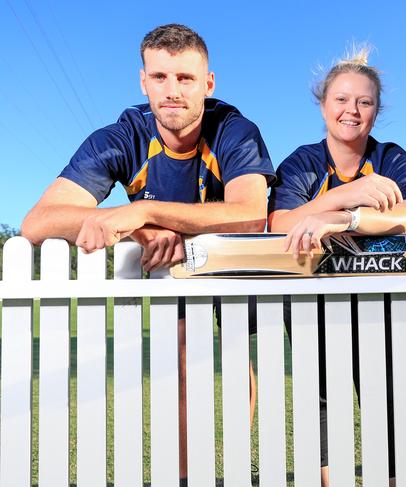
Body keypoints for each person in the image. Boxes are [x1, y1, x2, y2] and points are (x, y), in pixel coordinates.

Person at [21, 24, 275, 483]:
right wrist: (141, 228)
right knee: (178, 359)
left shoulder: (234, 130)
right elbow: (38, 221)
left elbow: (250, 215)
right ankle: (182, 476)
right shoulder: (121, 137)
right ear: (143, 81)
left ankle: (235, 465)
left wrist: (143, 210)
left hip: (234, 263)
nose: (172, 91)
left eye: (185, 79)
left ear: (208, 84)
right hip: (170, 267)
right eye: (160, 78)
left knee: (238, 360)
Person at [268, 46, 406, 486]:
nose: (352, 111)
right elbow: (280, 224)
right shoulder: (302, 162)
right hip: (309, 301)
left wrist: (343, 219)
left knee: (385, 399)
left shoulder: (393, 158)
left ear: (377, 110)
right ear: (323, 105)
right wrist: (346, 194)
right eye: (341, 99)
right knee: (321, 400)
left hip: (376, 299)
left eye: (364, 101)